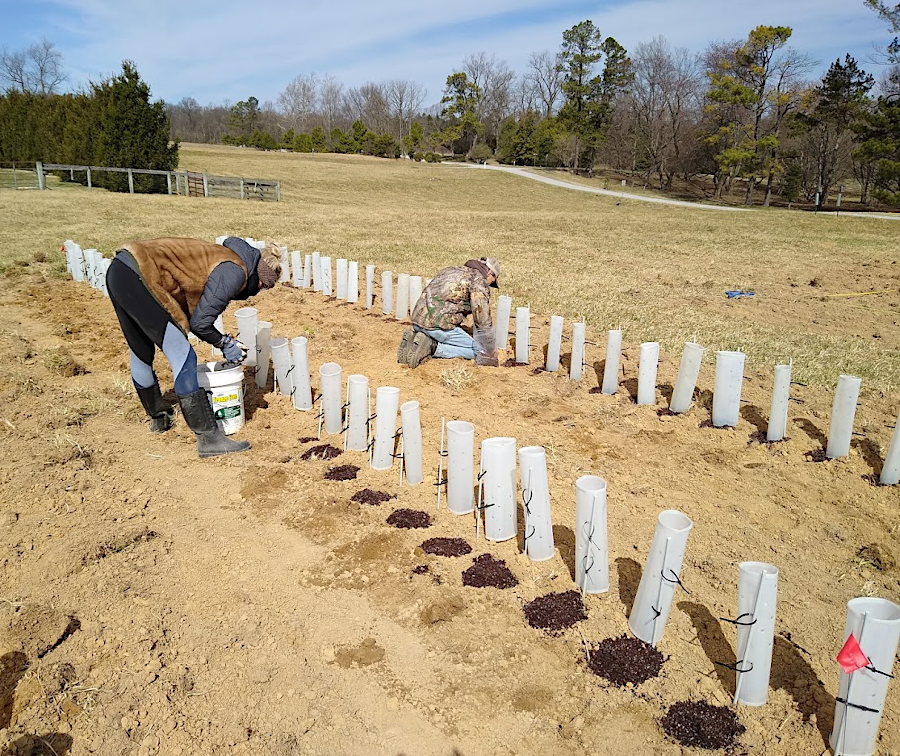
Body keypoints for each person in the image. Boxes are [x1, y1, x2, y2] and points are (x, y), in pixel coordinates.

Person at [105, 236, 281, 458]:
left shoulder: (225, 255)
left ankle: (159, 419)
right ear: (259, 277)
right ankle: (209, 438)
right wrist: (224, 343)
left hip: (121, 269)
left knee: (141, 352)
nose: (257, 292)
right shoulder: (235, 272)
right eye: (263, 286)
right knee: (185, 357)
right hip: (141, 274)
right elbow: (200, 323)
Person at [399, 257, 501, 368]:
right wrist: (489, 348)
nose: (490, 285)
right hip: (437, 327)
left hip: (417, 320)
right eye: (493, 281)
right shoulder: (478, 281)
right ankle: (433, 347)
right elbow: (482, 317)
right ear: (490, 273)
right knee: (480, 351)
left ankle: (416, 340)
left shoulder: (451, 270)